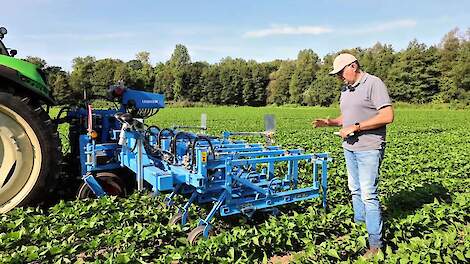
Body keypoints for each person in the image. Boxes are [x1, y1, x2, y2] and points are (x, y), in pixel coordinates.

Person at [313, 53, 394, 258]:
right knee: (354, 190)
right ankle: (359, 230)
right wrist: (330, 122)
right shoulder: (346, 90)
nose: (340, 77)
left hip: (369, 148)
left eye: (341, 72)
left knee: (368, 194)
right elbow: (347, 117)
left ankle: (375, 245)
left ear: (353, 66)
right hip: (349, 147)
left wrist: (356, 128)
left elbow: (387, 116)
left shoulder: (373, 83)